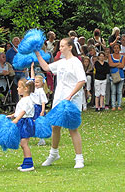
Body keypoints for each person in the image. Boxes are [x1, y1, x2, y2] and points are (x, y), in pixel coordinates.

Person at [34, 37, 86, 169]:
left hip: (71, 100)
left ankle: (79, 158)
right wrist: (37, 53)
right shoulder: (61, 62)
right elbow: (46, 67)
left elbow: (81, 81)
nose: (60, 48)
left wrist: (70, 95)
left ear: (70, 47)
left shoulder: (76, 62)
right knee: (55, 126)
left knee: (72, 128)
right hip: (59, 99)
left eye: (63, 46)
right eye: (60, 46)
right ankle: (53, 154)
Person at [7, 78, 36, 171]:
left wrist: (17, 119)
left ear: (26, 88)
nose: (17, 89)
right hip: (22, 121)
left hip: (25, 123)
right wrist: (13, 115)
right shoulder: (24, 99)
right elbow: (20, 110)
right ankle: (26, 161)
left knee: (24, 143)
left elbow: (24, 111)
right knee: (22, 143)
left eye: (19, 87)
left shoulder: (27, 100)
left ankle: (29, 164)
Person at [31, 72, 49, 146]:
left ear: (42, 83)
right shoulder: (34, 89)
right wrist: (31, 67)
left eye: (38, 82)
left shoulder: (41, 91)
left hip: (38, 108)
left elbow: (43, 102)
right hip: (33, 108)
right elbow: (31, 78)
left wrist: (42, 110)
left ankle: (42, 139)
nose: (36, 84)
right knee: (33, 122)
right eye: (35, 82)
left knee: (39, 124)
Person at [108, 43, 125, 110]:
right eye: (115, 48)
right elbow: (110, 64)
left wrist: (114, 64)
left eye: (117, 48)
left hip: (121, 76)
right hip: (113, 76)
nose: (116, 49)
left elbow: (122, 66)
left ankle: (119, 105)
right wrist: (118, 63)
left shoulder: (122, 56)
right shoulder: (110, 56)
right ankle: (113, 105)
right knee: (113, 92)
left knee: (119, 91)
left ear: (119, 49)